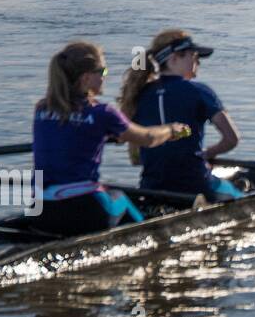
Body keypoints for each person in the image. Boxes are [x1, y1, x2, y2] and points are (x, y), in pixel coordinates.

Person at [32, 42, 190, 236]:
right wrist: (171, 130)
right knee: (120, 197)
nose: (105, 77)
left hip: (39, 208)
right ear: (86, 78)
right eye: (103, 71)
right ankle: (153, 240)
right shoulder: (102, 113)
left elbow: (72, 130)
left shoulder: (41, 108)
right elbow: (148, 138)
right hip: (83, 209)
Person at [120, 30, 243, 204]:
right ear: (173, 59)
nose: (198, 61)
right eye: (193, 56)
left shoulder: (137, 95)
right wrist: (207, 154)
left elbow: (136, 158)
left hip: (151, 186)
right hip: (195, 185)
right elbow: (232, 139)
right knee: (240, 195)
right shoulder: (199, 91)